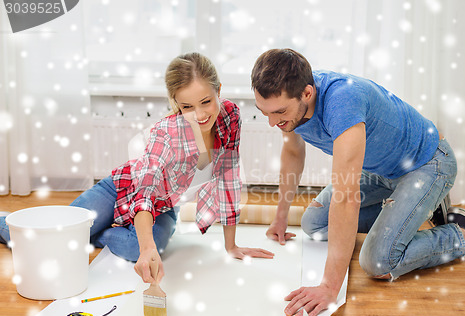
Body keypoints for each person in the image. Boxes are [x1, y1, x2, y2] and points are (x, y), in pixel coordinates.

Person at [250, 48, 465, 316]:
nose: (272, 123)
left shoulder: (343, 102)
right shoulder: (291, 108)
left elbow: (346, 199)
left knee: (378, 262)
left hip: (427, 164)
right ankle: (418, 210)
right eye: (264, 112)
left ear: (307, 93)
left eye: (278, 112)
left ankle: (460, 232)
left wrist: (329, 286)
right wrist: (280, 217)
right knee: (314, 225)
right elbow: (293, 153)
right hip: (380, 170)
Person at [0, 52, 274, 283]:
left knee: (136, 247)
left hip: (163, 206)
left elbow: (227, 178)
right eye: (187, 106)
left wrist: (231, 245)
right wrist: (147, 248)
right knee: (55, 239)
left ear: (219, 90)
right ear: (175, 102)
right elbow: (144, 193)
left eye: (206, 101)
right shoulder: (165, 133)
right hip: (120, 189)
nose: (201, 114)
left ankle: (92, 231)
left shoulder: (230, 118)